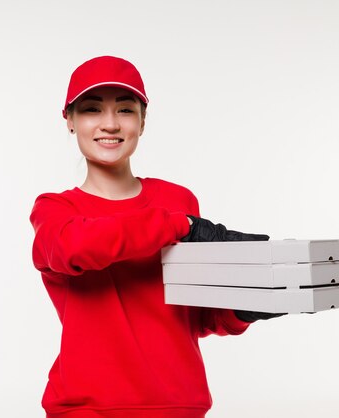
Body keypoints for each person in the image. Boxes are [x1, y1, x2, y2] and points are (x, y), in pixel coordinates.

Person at [30, 56, 281, 418]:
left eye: (126, 110)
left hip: (180, 405)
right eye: (92, 109)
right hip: (87, 409)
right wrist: (180, 226)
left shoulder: (177, 201)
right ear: (69, 121)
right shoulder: (56, 212)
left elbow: (193, 315)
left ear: (143, 121)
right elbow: (77, 247)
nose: (110, 124)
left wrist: (241, 309)